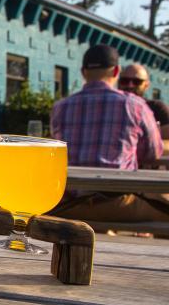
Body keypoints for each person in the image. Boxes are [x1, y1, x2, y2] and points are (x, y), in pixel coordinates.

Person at [50, 44, 167, 222]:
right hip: (118, 205)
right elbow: (153, 153)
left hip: (69, 205)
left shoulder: (60, 107)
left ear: (83, 72)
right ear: (116, 71)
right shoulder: (134, 105)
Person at [118, 63, 169, 153]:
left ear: (146, 85)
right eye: (125, 81)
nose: (130, 85)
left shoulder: (157, 108)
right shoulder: (111, 107)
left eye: (137, 82)